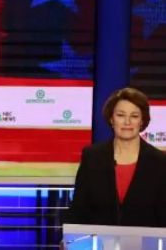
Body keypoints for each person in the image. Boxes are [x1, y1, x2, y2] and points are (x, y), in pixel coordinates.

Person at [65, 87, 166, 225]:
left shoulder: (159, 162)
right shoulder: (92, 157)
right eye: (121, 115)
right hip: (99, 243)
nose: (127, 122)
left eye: (134, 116)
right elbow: (79, 209)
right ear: (111, 119)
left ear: (142, 121)